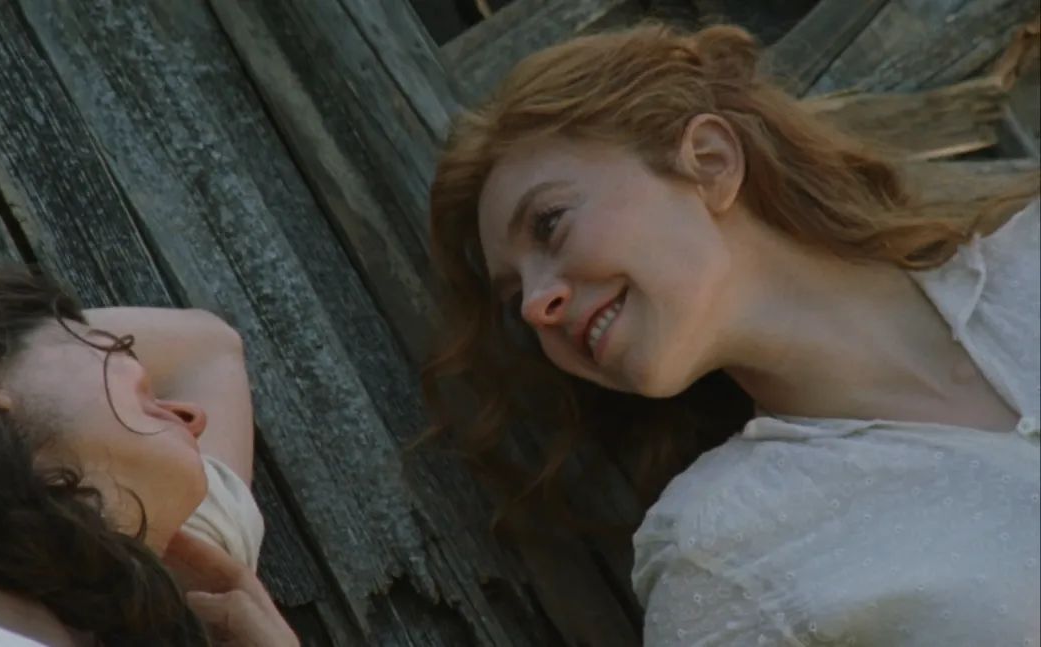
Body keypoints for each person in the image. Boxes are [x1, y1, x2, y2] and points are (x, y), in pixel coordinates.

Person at [424, 23, 1040, 646]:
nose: (536, 306)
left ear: (710, 162)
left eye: (549, 223)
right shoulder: (728, 559)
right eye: (515, 300)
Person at [0, 264, 297, 646]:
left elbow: (212, 347)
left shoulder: (197, 586)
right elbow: (208, 348)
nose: (194, 416)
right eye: (113, 347)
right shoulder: (195, 551)